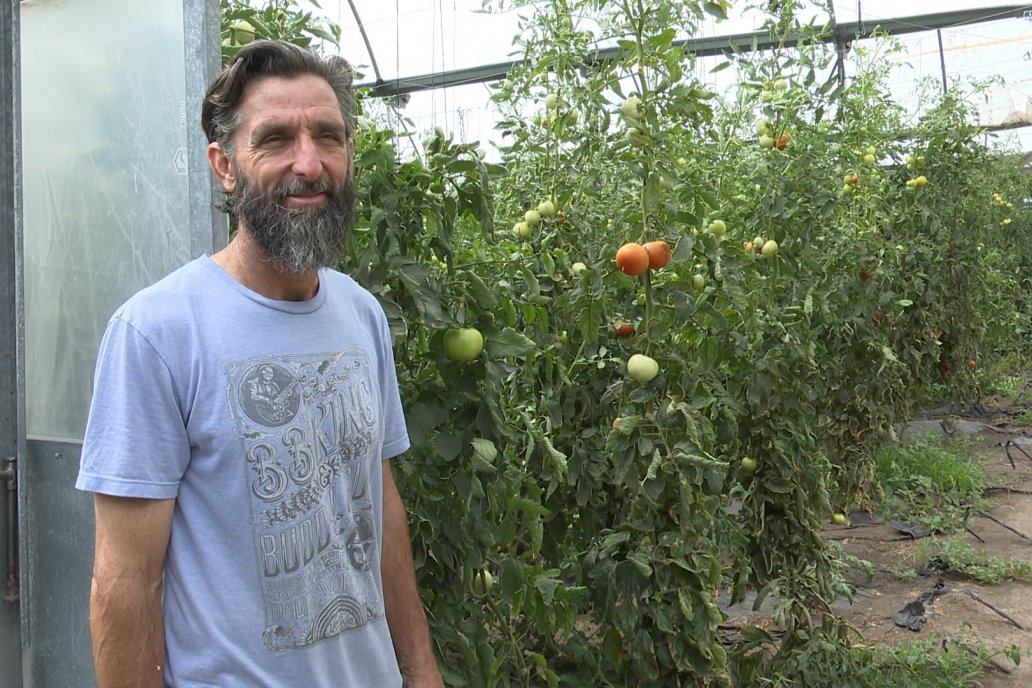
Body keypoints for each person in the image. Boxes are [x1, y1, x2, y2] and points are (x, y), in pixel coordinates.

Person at [76, 40, 444, 688]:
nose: (309, 162)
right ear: (225, 165)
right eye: (276, 139)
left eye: (328, 136)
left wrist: (419, 671)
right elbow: (126, 581)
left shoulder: (361, 316)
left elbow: (378, 508)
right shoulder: (159, 332)